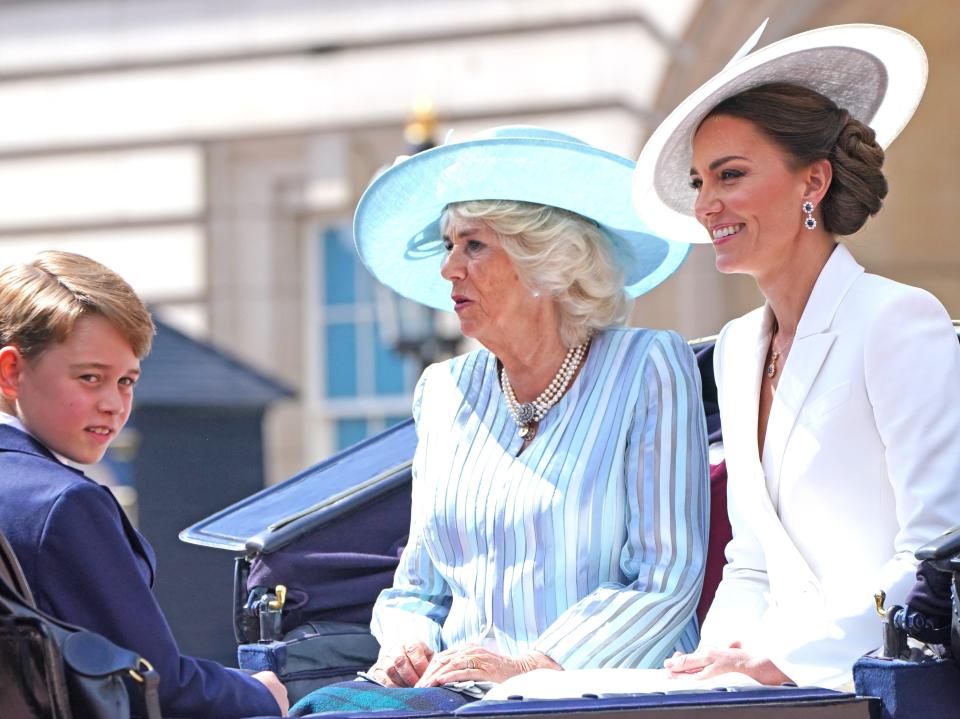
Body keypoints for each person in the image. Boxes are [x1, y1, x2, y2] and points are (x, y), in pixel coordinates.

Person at [291, 125, 709, 714]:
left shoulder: (646, 366)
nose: (448, 270)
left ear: (547, 260)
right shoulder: (443, 390)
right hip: (455, 695)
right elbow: (417, 588)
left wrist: (534, 667)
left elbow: (664, 577)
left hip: (601, 692)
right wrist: (409, 643)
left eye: (473, 245)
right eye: (448, 246)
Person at [632, 24, 960, 689]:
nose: (705, 204)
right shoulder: (734, 349)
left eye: (730, 175)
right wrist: (708, 675)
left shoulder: (896, 319)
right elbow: (751, 562)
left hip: (880, 685)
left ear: (812, 180)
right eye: (699, 181)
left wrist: (789, 660)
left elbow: (937, 552)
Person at [0, 251, 289, 717]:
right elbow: (155, 684)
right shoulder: (64, 503)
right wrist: (262, 692)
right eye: (90, 378)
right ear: (11, 371)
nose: (114, 404)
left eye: (127, 381)